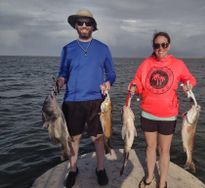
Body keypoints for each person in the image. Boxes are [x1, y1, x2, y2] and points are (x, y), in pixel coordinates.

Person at [56, 9, 116, 188]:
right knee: (73, 138)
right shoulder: (67, 49)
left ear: (93, 26)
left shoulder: (103, 48)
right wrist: (60, 80)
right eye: (80, 22)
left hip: (96, 100)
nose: (84, 26)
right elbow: (63, 72)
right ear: (75, 26)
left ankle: (100, 168)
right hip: (72, 100)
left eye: (87, 23)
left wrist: (108, 83)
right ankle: (73, 170)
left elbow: (111, 73)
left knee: (98, 137)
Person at [128, 32, 196, 188]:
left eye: (164, 44)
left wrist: (189, 85)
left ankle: (162, 182)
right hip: (148, 113)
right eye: (157, 45)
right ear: (153, 47)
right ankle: (150, 177)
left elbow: (189, 79)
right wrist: (133, 87)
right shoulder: (146, 64)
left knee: (164, 150)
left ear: (169, 46)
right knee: (150, 147)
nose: (160, 48)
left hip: (168, 115)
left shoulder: (178, 64)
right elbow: (138, 81)